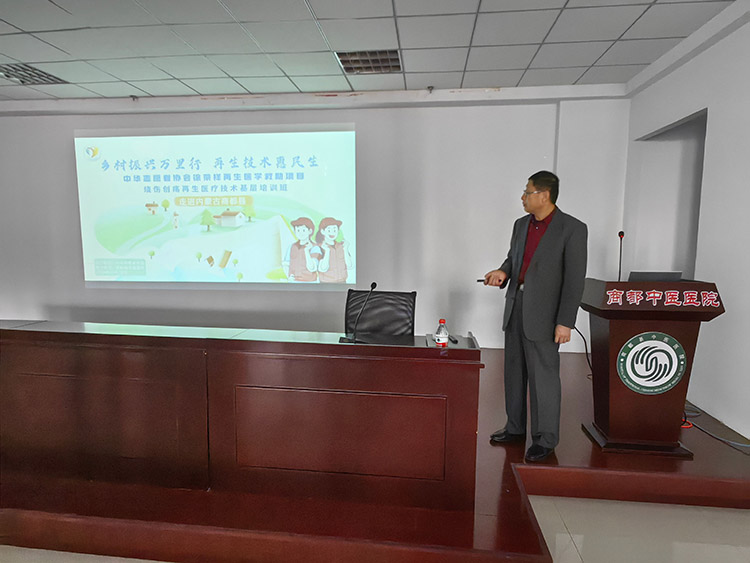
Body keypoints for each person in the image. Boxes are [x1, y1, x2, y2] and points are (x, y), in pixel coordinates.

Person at [484, 171, 587, 462]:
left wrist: (565, 321)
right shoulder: (521, 225)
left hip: (546, 315)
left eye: (527, 192)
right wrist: (503, 271)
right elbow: (514, 258)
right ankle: (515, 428)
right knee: (514, 373)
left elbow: (574, 280)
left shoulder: (572, 228)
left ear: (544, 195)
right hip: (516, 306)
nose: (523, 197)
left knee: (543, 379)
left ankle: (545, 439)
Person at [282, 217, 321, 282]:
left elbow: (312, 268)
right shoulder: (291, 247)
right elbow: (286, 264)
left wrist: (306, 251)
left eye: (303, 230)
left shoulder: (315, 248)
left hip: (311, 283)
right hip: (294, 282)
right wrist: (289, 276)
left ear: (310, 231)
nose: (300, 233)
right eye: (298, 230)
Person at [316, 217, 353, 283]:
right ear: (322, 231)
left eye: (334, 230)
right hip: (325, 283)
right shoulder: (319, 247)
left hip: (343, 283)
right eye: (329, 230)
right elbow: (322, 268)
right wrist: (327, 251)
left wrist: (345, 249)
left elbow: (350, 265)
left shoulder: (342, 246)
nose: (332, 233)